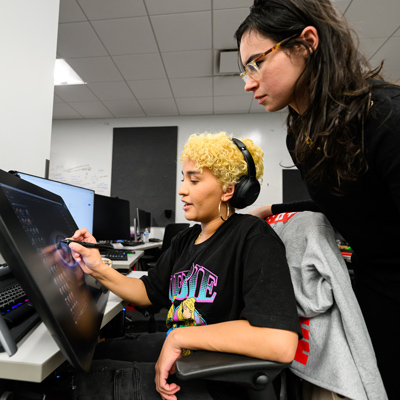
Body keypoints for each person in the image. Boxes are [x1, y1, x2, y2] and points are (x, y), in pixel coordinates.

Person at [235, 0, 400, 397]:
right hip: (374, 289)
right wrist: (273, 210)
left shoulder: (386, 118)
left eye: (256, 63)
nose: (248, 82)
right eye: (244, 70)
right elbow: (346, 203)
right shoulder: (302, 136)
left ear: (306, 43)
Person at [68, 131, 301, 400]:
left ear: (229, 189)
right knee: (88, 357)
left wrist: (180, 338)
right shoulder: (186, 239)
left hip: (215, 378)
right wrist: (96, 266)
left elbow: (279, 342)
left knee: (79, 384)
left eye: (194, 179)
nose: (181, 189)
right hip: (185, 352)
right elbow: (147, 293)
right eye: (183, 178)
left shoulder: (253, 238)